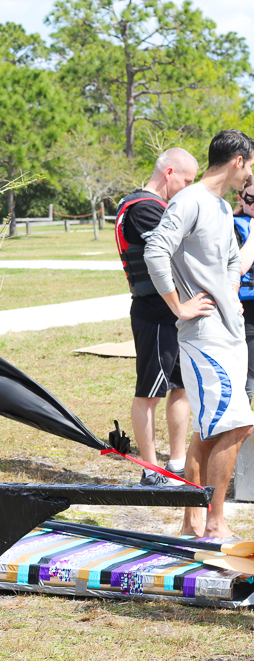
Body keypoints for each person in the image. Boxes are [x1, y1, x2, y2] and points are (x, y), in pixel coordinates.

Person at [144, 129, 254, 539]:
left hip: (228, 329)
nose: (250, 176)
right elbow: (156, 249)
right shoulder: (188, 201)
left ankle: (192, 521)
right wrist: (179, 305)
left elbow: (229, 260)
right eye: (250, 165)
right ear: (238, 161)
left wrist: (231, 295)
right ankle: (214, 522)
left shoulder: (223, 208)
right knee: (236, 425)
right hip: (202, 334)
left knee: (210, 428)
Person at [114, 147, 198, 487]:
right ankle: (151, 470)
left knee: (180, 387)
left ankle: (174, 464)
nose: (190, 188)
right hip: (155, 311)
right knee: (149, 390)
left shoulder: (146, 206)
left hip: (169, 312)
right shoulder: (144, 208)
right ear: (169, 173)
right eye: (187, 180)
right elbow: (172, 255)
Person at [233, 181, 254, 400]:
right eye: (251, 198)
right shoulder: (233, 225)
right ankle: (239, 433)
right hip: (246, 309)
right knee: (248, 380)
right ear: (240, 199)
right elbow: (237, 267)